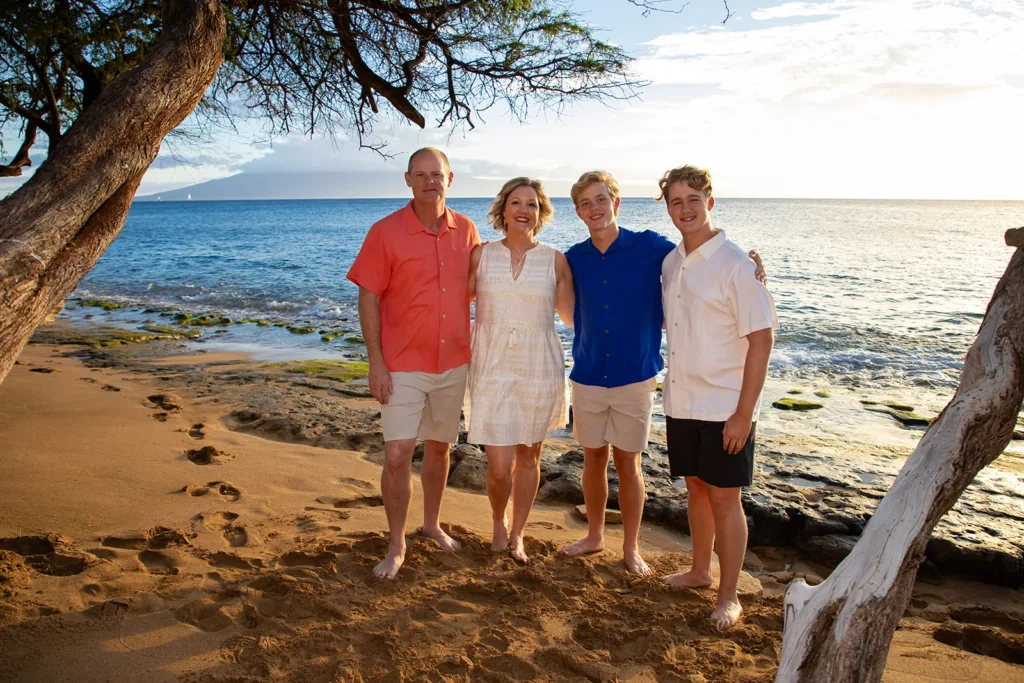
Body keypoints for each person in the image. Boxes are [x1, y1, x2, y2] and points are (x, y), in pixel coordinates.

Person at [559, 170, 765, 576]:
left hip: (637, 377)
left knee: (629, 464)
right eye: (585, 203)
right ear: (578, 212)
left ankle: (631, 547)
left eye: (601, 199)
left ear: (616, 203)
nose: (595, 208)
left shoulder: (653, 248)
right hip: (587, 375)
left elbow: (702, 256)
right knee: (593, 460)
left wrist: (752, 267)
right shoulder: (573, 258)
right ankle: (595, 536)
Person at [346, 147, 480, 580]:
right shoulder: (385, 232)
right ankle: (396, 543)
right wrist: (376, 363)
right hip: (401, 363)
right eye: (420, 175)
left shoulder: (468, 231)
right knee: (399, 451)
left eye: (436, 174)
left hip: (454, 361)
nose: (429, 182)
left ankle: (432, 524)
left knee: (440, 447)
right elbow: (368, 296)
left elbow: (482, 288)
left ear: (450, 178)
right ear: (408, 180)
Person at [658, 165, 777, 631]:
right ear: (667, 207)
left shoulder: (735, 264)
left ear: (711, 201)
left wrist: (743, 414)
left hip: (726, 406)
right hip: (681, 400)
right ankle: (699, 570)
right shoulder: (670, 263)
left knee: (727, 498)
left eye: (693, 199)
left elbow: (762, 339)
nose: (685, 209)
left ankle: (729, 597)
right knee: (696, 488)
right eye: (675, 201)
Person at [466, 177, 574, 564]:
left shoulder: (555, 259)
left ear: (541, 212)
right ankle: (498, 519)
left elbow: (573, 314)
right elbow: (448, 300)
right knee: (498, 466)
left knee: (529, 456)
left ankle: (517, 535)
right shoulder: (481, 255)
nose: (523, 210)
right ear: (504, 209)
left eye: (531, 204)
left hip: (538, 365)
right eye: (516, 202)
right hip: (491, 364)